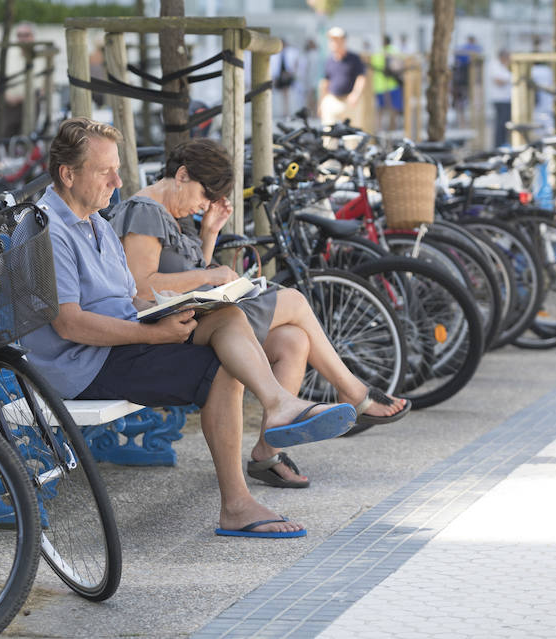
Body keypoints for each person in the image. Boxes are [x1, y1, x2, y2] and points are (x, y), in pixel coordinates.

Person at [21, 118, 358, 538]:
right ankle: (239, 496)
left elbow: (130, 299)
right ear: (68, 174)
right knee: (221, 366)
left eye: (117, 168)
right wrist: (152, 333)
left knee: (227, 315)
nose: (117, 179)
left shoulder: (96, 223)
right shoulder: (46, 230)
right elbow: (69, 324)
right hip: (82, 364)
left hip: (119, 340)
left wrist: (172, 311)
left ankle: (277, 409)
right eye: (104, 170)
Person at [106, 138, 409, 490]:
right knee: (293, 300)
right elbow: (142, 287)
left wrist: (209, 233)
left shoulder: (173, 215)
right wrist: (209, 275)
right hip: (171, 328)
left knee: (293, 341)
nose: (204, 205)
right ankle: (353, 392)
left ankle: (268, 451)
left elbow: (187, 274)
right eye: (205, 195)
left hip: (200, 317)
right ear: (182, 175)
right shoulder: (145, 210)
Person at [318, 26, 367, 126]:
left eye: (337, 40)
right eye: (332, 40)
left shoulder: (354, 58)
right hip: (333, 100)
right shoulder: (329, 60)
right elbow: (325, 82)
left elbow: (361, 78)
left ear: (344, 41)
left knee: (352, 135)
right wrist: (321, 102)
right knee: (329, 134)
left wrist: (355, 94)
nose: (334, 43)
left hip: (349, 101)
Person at [370, 35, 403, 132]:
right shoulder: (394, 51)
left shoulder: (377, 52)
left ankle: (379, 129)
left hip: (379, 86)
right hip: (392, 85)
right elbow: (399, 66)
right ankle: (392, 129)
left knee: (380, 110)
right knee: (393, 109)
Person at [452, 35, 483, 128]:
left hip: (465, 79)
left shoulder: (465, 49)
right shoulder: (470, 49)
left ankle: (464, 123)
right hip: (464, 79)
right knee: (462, 102)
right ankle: (463, 123)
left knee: (463, 102)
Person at [489, 49, 513, 148]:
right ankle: (499, 145)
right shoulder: (494, 65)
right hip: (500, 99)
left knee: (505, 125)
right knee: (500, 125)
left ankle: (503, 144)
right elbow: (498, 81)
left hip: (507, 99)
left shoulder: (506, 66)